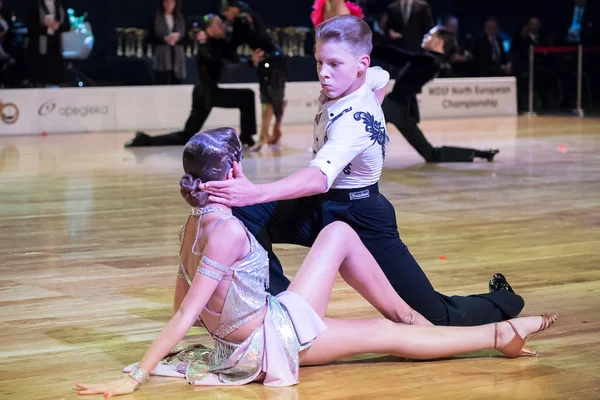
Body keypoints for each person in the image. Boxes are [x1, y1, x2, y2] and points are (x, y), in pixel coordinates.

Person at [75, 127, 558, 396]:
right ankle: (498, 334)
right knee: (382, 332)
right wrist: (135, 376)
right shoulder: (224, 232)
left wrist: (220, 336)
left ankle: (419, 318)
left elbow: (185, 308)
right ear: (236, 171)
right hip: (270, 343)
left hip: (256, 332)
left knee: (339, 233)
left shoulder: (192, 228)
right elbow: (184, 314)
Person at [200, 15, 523, 327]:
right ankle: (282, 310)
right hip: (323, 206)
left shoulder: (355, 121)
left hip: (361, 214)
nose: (324, 74)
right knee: (247, 215)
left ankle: (503, 302)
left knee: (436, 317)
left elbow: (317, 178)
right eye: (319, 62)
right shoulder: (366, 78)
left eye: (335, 64)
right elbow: (380, 76)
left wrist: (255, 191)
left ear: (360, 63)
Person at [124, 14, 262, 148]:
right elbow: (225, 69)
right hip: (207, 94)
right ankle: (246, 137)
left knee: (187, 135)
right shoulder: (207, 47)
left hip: (206, 92)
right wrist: (249, 62)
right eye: (218, 24)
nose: (222, 26)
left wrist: (250, 61)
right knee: (246, 96)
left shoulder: (218, 44)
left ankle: (145, 139)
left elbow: (234, 59)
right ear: (209, 29)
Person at [374, 26, 500, 162]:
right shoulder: (432, 60)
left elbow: (396, 56)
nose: (425, 36)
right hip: (403, 109)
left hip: (396, 107)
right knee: (431, 154)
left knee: (364, 114)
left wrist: (367, 48)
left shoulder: (430, 61)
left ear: (439, 42)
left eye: (429, 35)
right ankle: (483, 154)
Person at [221, 1, 288, 151]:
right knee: (275, 97)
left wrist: (220, 44)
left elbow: (233, 45)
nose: (225, 15)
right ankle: (274, 131)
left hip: (270, 62)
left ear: (234, 9)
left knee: (269, 99)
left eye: (226, 11)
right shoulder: (250, 15)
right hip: (276, 59)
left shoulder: (242, 20)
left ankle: (264, 137)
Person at [26, 0, 69, 87]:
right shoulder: (35, 5)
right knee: (40, 79)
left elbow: (67, 26)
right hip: (39, 48)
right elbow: (30, 27)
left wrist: (57, 26)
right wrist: (46, 27)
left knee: (61, 78)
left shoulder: (60, 5)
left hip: (56, 46)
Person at [151, 0, 186, 85]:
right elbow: (151, 37)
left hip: (177, 56)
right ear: (163, 3)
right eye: (167, 2)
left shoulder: (180, 18)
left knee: (177, 84)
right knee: (162, 82)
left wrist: (178, 38)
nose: (169, 4)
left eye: (171, 2)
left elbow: (186, 38)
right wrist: (164, 39)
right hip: (162, 56)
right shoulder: (156, 18)